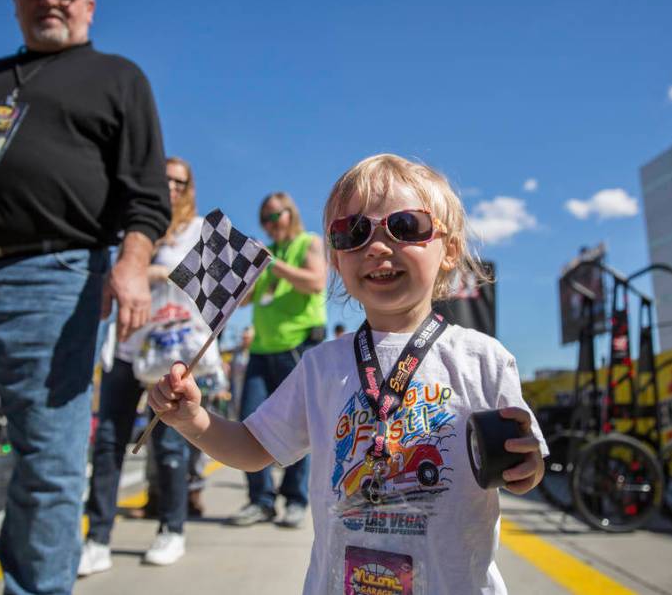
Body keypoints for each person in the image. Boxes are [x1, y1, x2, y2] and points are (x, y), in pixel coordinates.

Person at [148, 153, 547, 593]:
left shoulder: (483, 359)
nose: (376, 246)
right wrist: (192, 420)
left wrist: (527, 466)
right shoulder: (320, 366)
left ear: (449, 250)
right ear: (337, 261)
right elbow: (251, 448)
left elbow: (525, 460)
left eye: (406, 226)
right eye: (352, 233)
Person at [0, 0, 170, 592]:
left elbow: (147, 193)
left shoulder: (118, 77)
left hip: (54, 279)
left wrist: (131, 262)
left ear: (87, 4)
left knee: (48, 457)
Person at [79, 157, 222, 574]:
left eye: (180, 182)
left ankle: (172, 528)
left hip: (171, 346)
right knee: (107, 442)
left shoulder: (195, 229)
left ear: (189, 187)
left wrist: (162, 271)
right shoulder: (135, 229)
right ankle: (97, 537)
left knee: (170, 443)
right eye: (165, 181)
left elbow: (211, 286)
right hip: (127, 345)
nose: (172, 188)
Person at [228, 193, 327, 529]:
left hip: (297, 347)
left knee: (301, 424)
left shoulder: (307, 243)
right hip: (262, 348)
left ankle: (295, 499)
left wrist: (273, 264)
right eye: (265, 219)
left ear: (291, 214)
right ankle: (260, 500)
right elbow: (243, 302)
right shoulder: (268, 258)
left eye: (275, 216)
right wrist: (244, 272)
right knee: (248, 423)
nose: (270, 224)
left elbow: (316, 282)